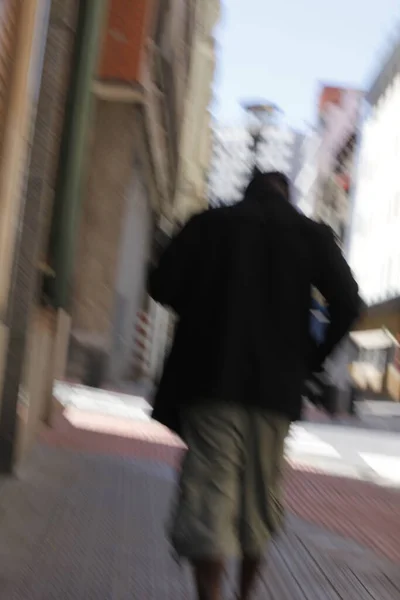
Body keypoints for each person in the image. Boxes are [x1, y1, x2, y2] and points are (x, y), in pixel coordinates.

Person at [148, 171, 361, 600]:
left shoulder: (209, 224)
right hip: (276, 393)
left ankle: (210, 596)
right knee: (258, 502)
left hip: (211, 383)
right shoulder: (310, 234)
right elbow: (349, 303)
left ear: (245, 191)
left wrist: (205, 300)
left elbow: (161, 285)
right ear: (288, 195)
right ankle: (245, 595)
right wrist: (309, 361)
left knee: (210, 495)